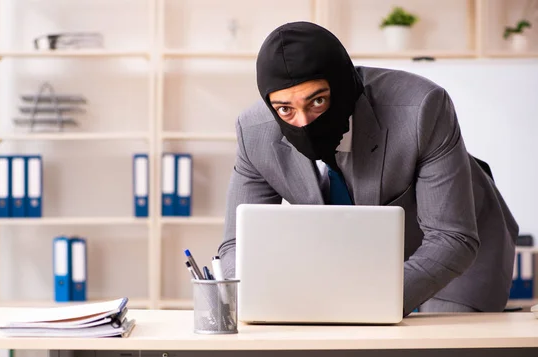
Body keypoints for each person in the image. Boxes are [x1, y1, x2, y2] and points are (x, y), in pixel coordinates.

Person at [217, 21, 519, 315]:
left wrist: (358, 303)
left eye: (318, 101)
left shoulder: (422, 109)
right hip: (359, 261)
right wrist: (252, 296)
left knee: (437, 353)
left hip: (460, 251)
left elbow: (451, 238)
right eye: (285, 109)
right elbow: (236, 243)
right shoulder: (254, 132)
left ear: (343, 86)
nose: (304, 122)